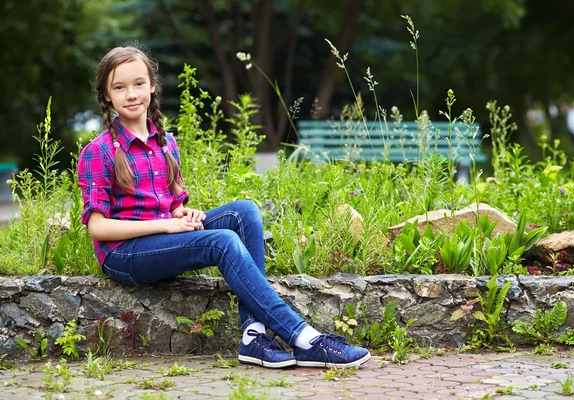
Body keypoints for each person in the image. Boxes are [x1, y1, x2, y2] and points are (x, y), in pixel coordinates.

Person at [77, 45, 371, 369]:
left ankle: (254, 335)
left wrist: (180, 214)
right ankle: (303, 337)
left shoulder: (165, 142)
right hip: (123, 254)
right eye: (119, 87)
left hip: (159, 238)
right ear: (106, 95)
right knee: (222, 241)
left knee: (244, 212)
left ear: (152, 86)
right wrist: (166, 225)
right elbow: (98, 227)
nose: (130, 94)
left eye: (138, 83)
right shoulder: (99, 151)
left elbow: (169, 205)